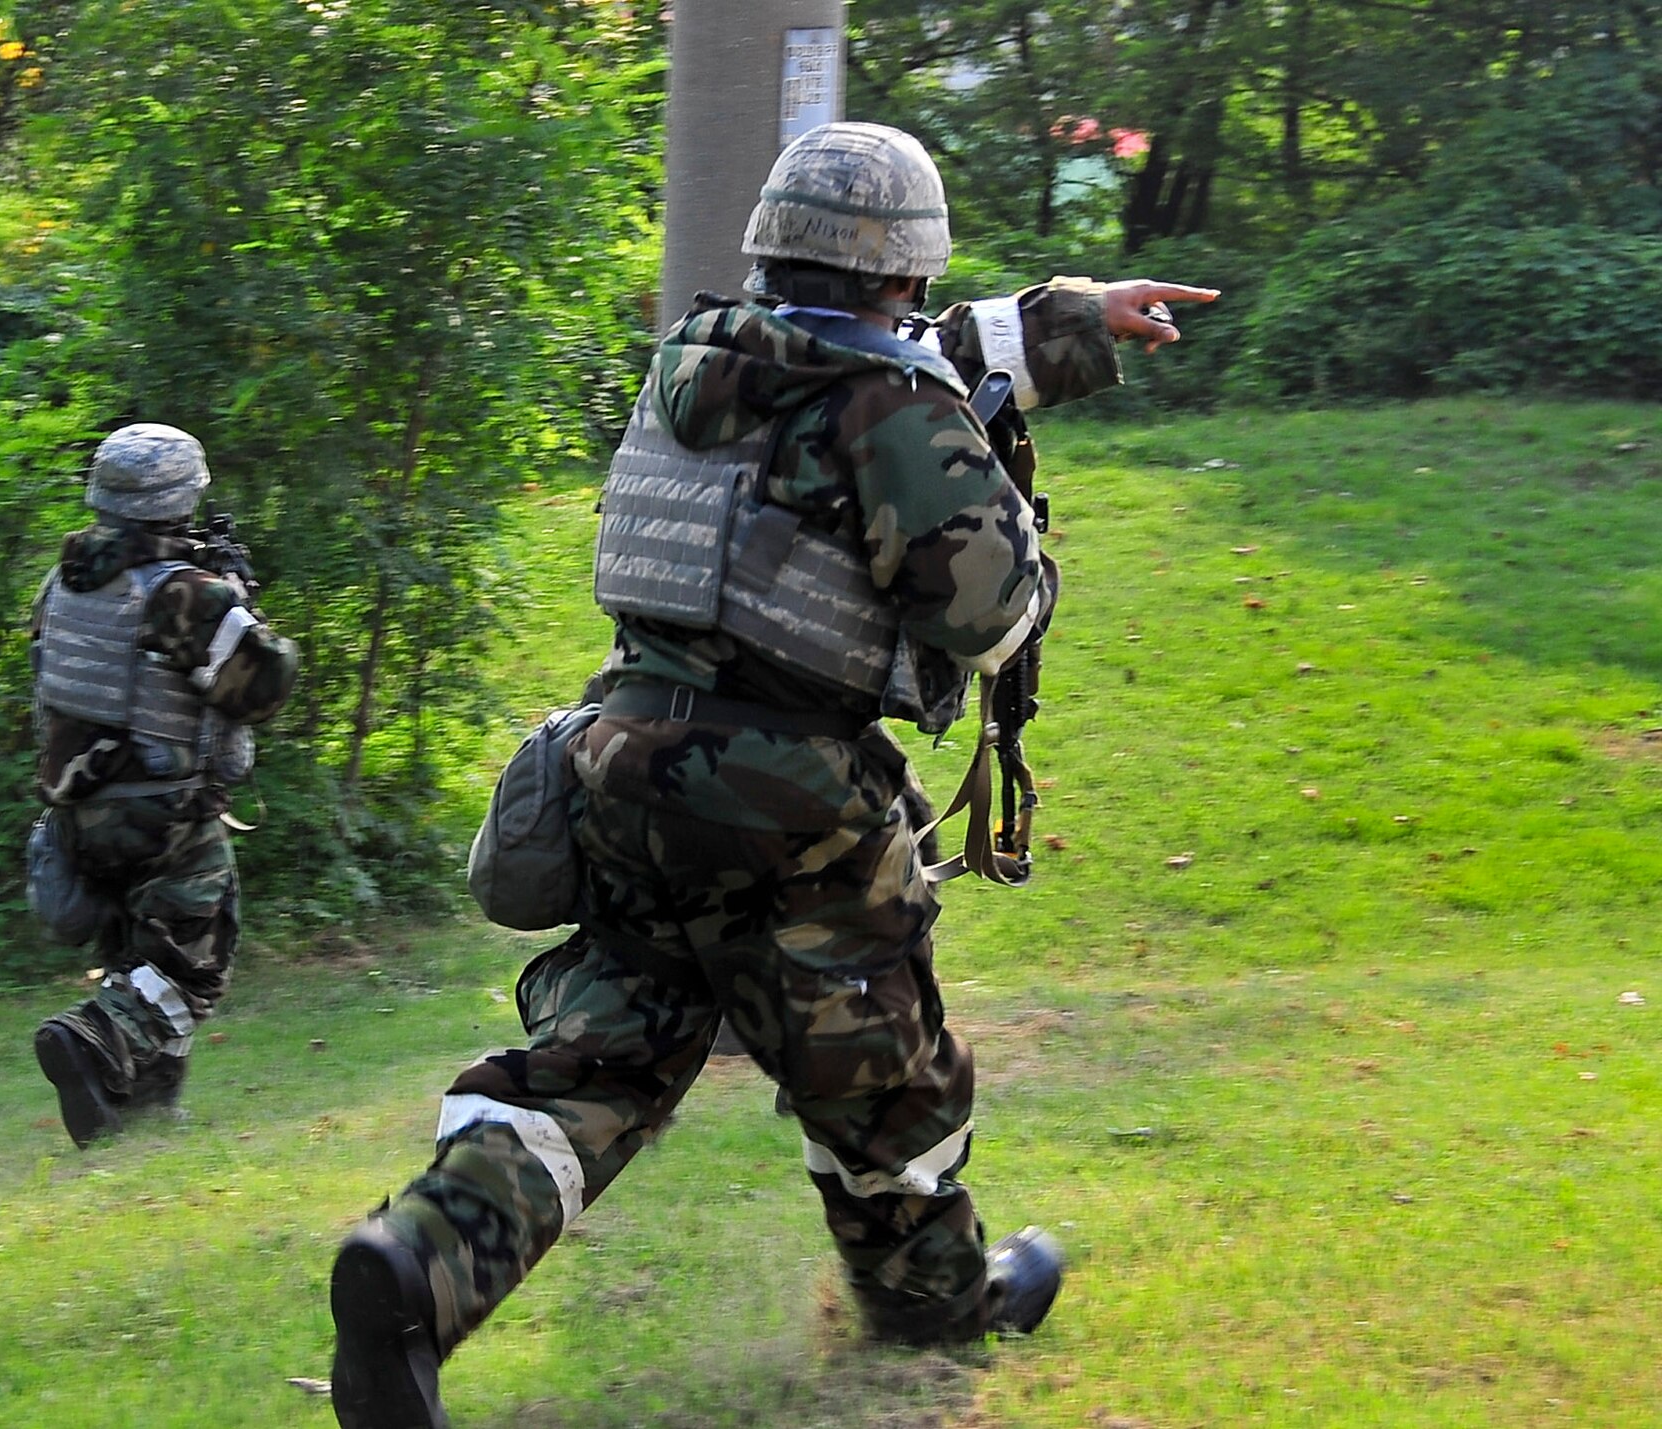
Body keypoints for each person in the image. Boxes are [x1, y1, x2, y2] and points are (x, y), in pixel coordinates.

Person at [326, 122, 1218, 1427]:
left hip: (621, 759)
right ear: (905, 267)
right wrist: (1025, 539)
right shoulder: (885, 407)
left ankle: (423, 1261)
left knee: (608, 1053)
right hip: (792, 790)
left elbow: (907, 368)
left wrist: (1073, 319)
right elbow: (985, 612)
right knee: (880, 1063)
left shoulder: (702, 361)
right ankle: (936, 1301)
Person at [27, 422, 298, 1148]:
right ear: (182, 495)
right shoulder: (184, 592)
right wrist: (244, 607)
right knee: (193, 962)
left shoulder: (65, 581)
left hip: (79, 810)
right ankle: (94, 1038)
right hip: (164, 810)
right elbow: (263, 687)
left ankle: (141, 1110)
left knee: (142, 954)